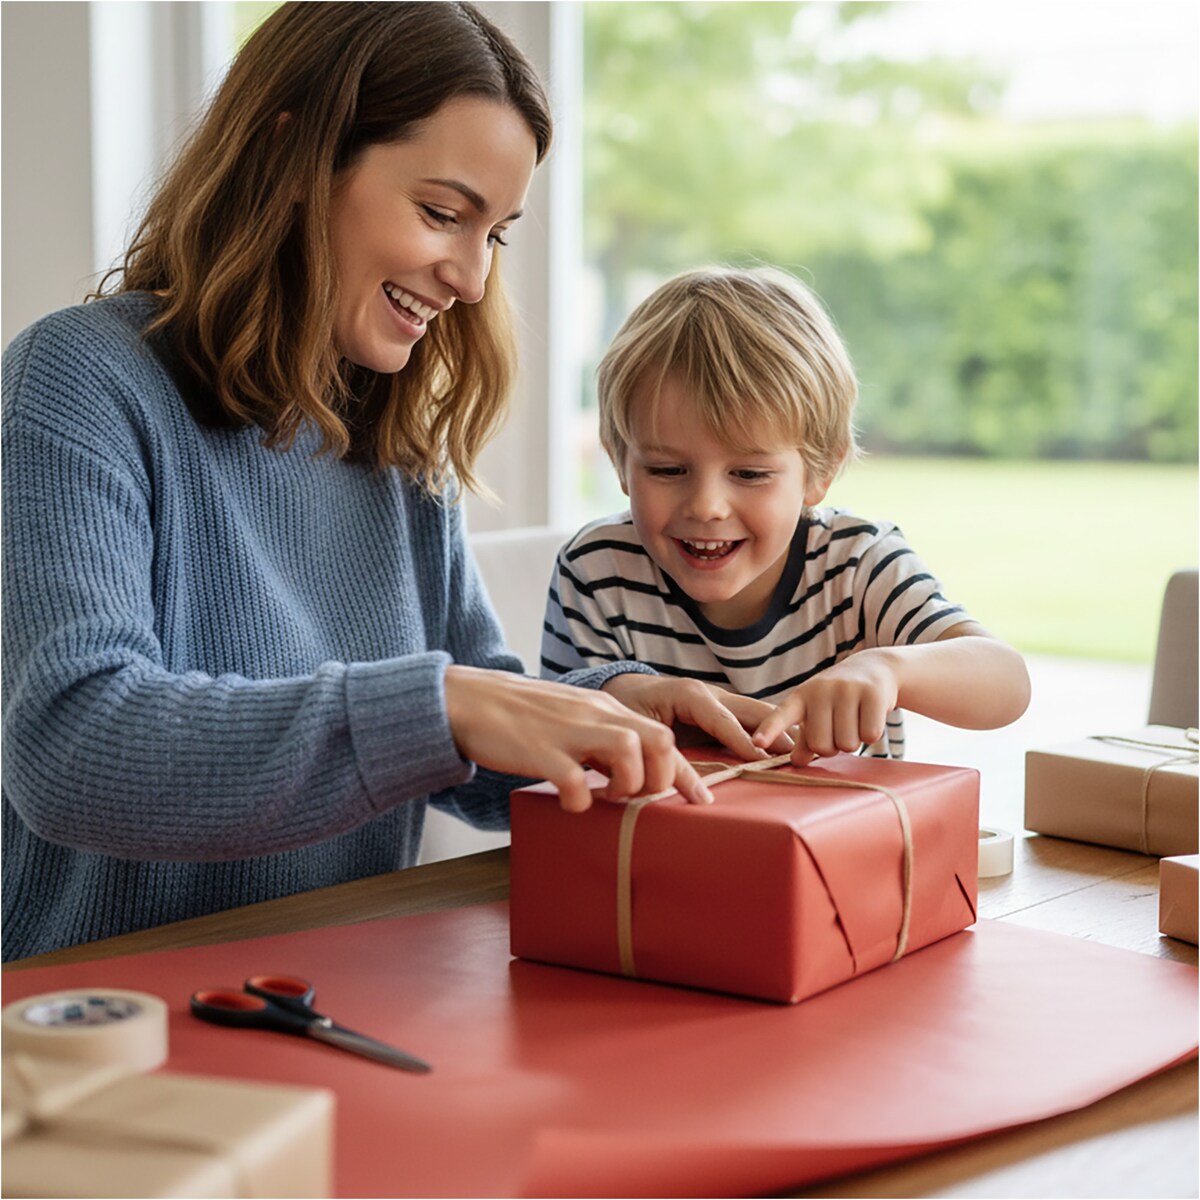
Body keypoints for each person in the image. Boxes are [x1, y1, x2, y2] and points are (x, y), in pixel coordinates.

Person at [0, 4, 775, 962]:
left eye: (494, 233)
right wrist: (445, 705)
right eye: (443, 214)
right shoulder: (80, 381)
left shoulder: (392, 430)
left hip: (338, 991)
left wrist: (613, 709)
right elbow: (74, 750)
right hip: (110, 1030)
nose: (474, 280)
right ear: (294, 162)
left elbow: (459, 735)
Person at [541, 266, 1031, 763]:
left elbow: (1006, 682)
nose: (707, 506)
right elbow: (554, 743)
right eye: (667, 469)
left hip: (847, 840)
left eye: (750, 474)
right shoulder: (596, 571)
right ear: (619, 460)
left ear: (821, 470)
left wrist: (889, 670)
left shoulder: (858, 564)